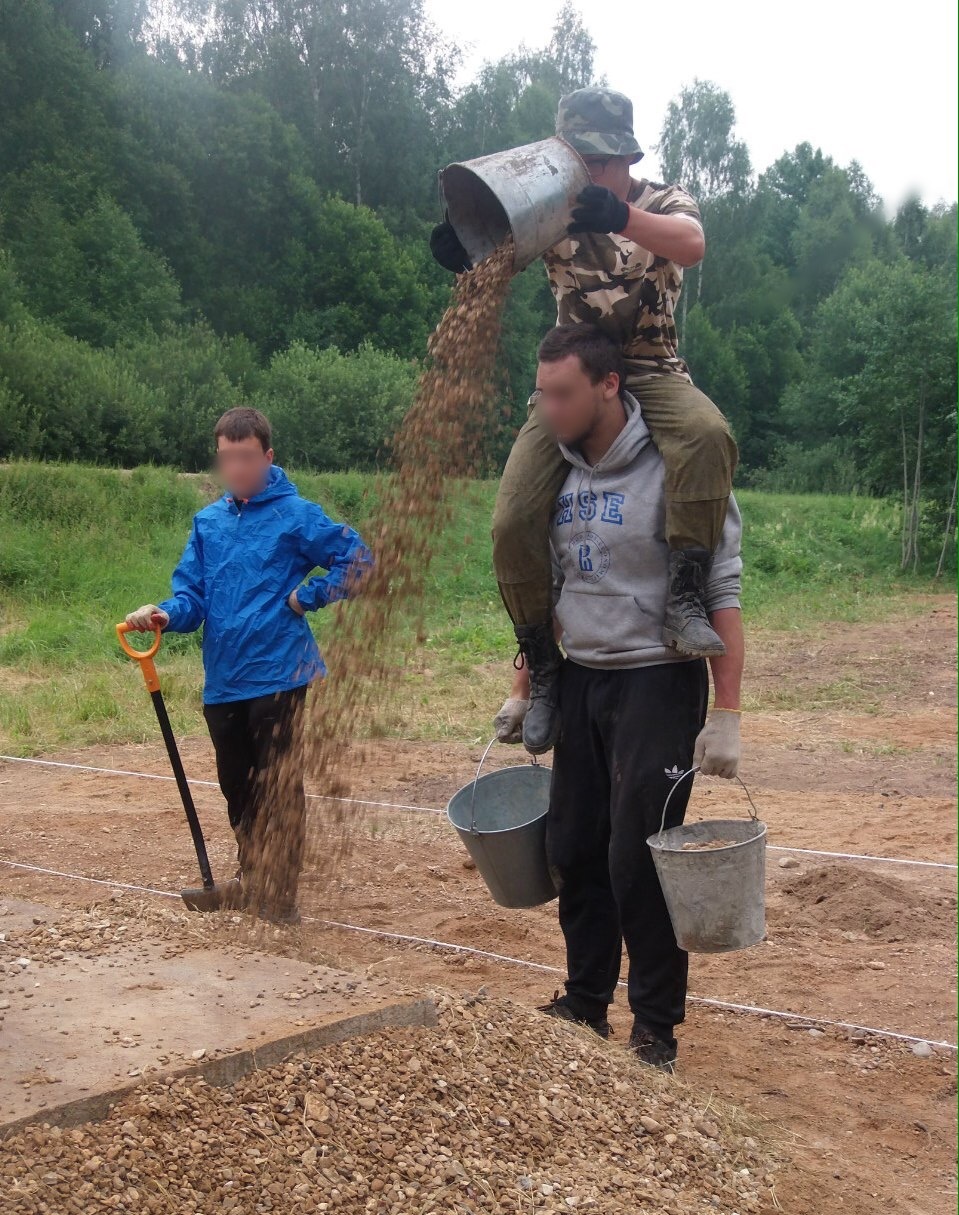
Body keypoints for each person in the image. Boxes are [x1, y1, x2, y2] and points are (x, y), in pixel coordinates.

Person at [431, 87, 739, 755]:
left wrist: (621, 216)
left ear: (626, 156)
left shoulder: (660, 200)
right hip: (572, 377)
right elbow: (493, 239)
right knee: (512, 517)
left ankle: (684, 597)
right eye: (579, 159)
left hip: (649, 369)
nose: (588, 173)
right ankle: (541, 665)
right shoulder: (550, 207)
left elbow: (691, 245)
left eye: (599, 162)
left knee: (708, 436)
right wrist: (465, 248)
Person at [507, 323, 744, 1071]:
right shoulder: (554, 476)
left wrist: (728, 712)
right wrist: (523, 688)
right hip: (580, 674)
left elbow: (722, 590)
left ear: (609, 386)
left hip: (657, 677)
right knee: (572, 847)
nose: (546, 408)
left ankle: (654, 1030)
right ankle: (583, 1003)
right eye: (540, 393)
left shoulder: (677, 465)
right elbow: (545, 586)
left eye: (562, 393)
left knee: (636, 856)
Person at [125, 407, 372, 924]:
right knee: (237, 784)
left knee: (278, 785)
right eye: (226, 458)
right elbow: (191, 597)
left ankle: (279, 897)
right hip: (225, 678)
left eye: (245, 457)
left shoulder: (297, 515)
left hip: (282, 673)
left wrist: (310, 596)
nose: (236, 468)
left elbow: (361, 561)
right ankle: (252, 877)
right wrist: (164, 614)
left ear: (267, 456)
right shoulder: (208, 523)